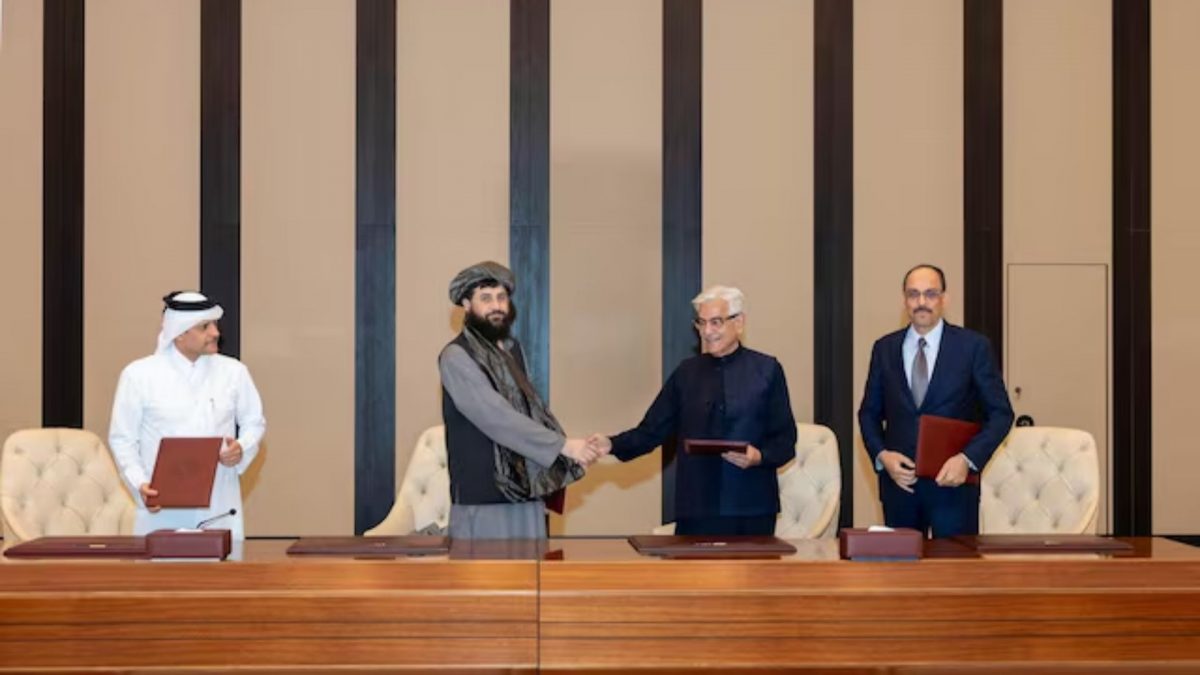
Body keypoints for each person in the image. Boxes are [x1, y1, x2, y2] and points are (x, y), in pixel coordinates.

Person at [589, 286, 797, 536]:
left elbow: (785, 441)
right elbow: (651, 430)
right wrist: (610, 444)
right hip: (697, 507)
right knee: (693, 576)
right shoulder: (686, 373)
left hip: (751, 507)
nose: (707, 332)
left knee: (749, 576)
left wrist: (759, 456)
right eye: (701, 323)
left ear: (739, 322)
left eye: (716, 322)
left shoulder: (767, 370)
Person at [439, 261, 597, 539]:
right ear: (466, 304)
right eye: (485, 299)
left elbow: (531, 413)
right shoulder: (456, 356)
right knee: (486, 582)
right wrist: (564, 446)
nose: (496, 306)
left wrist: (562, 458)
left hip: (525, 490)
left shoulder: (512, 351)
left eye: (501, 297)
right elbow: (497, 418)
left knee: (530, 578)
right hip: (484, 498)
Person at [858, 264, 1014, 537]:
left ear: (944, 299)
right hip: (899, 489)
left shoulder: (973, 347)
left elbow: (1001, 414)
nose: (921, 302)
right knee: (900, 576)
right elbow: (868, 413)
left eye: (930, 294)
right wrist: (882, 456)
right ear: (904, 300)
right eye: (913, 294)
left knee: (955, 575)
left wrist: (967, 460)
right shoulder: (884, 348)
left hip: (953, 490)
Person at [108, 291, 266, 540]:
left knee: (223, 576)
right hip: (161, 506)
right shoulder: (138, 375)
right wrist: (140, 485)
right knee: (163, 578)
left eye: (215, 325)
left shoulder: (234, 372)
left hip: (220, 504)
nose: (215, 333)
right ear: (179, 333)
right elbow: (122, 439)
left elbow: (254, 423)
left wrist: (241, 448)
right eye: (205, 327)